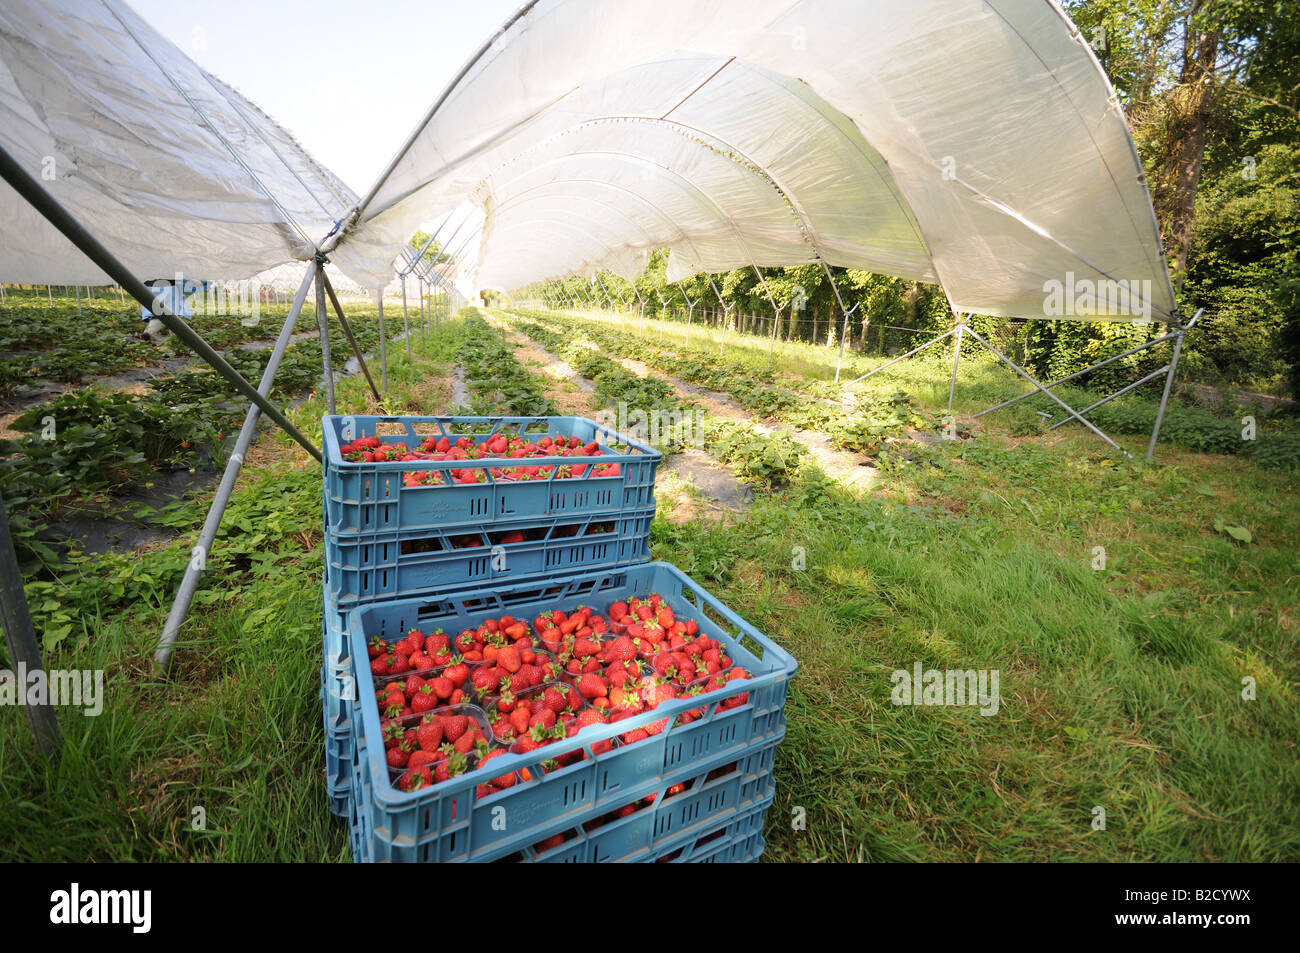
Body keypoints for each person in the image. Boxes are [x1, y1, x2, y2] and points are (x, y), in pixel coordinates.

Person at [141, 277, 199, 344]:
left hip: (151, 287)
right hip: (170, 286)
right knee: (173, 315)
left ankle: (150, 331)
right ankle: (174, 338)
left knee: (158, 314)